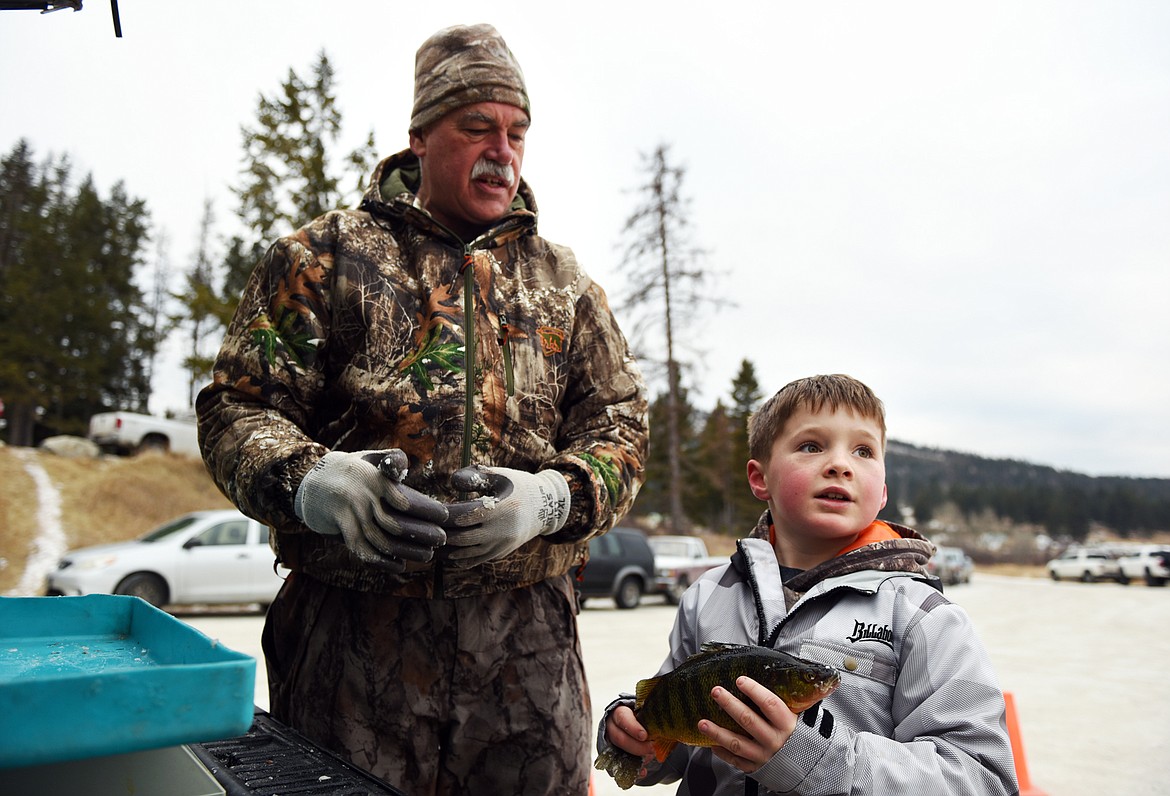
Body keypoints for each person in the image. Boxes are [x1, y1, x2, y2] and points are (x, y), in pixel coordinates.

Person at [197, 23, 648, 795]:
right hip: (349, 640)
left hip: (526, 644)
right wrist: (313, 483)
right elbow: (236, 410)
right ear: (419, 139)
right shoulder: (324, 256)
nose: (501, 150)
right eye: (476, 127)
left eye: (517, 132)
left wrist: (550, 499)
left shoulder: (565, 284)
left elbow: (622, 432)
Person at [597, 374, 1017, 795]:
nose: (840, 463)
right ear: (760, 479)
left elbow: (984, 778)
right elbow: (681, 732)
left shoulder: (922, 616)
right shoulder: (709, 594)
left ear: (883, 490)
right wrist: (636, 738)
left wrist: (819, 763)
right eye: (811, 446)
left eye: (864, 450)